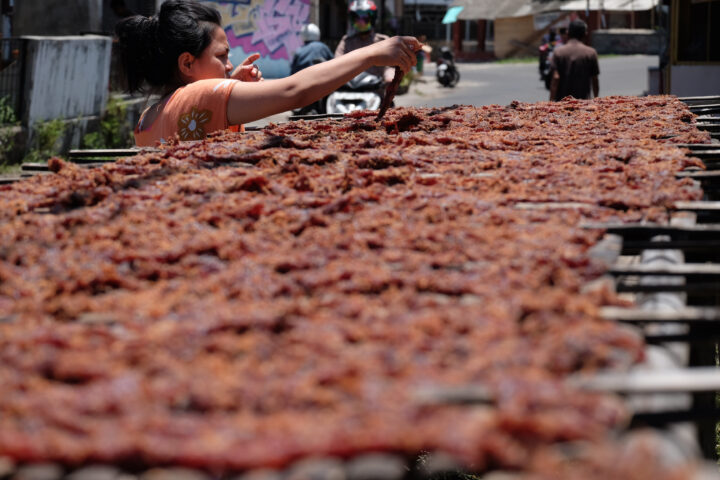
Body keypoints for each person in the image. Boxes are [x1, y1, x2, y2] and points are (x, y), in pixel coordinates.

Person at [116, 0, 419, 147]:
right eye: (221, 56)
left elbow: (194, 117)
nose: (230, 64)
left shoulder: (148, 116)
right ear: (186, 64)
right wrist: (370, 55)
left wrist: (228, 87)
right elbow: (294, 91)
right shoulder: (201, 96)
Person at [334, 0, 394, 84]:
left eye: (365, 18)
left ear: (372, 19)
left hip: (374, 90)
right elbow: (337, 63)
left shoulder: (383, 41)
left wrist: (389, 76)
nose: (360, 22)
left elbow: (389, 66)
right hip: (349, 90)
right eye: (357, 18)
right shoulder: (346, 41)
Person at [549, 19, 599, 101]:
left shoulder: (558, 52)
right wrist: (596, 99)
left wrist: (551, 101)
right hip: (583, 104)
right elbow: (594, 80)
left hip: (562, 104)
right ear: (585, 34)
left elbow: (556, 78)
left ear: (568, 33)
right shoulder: (591, 53)